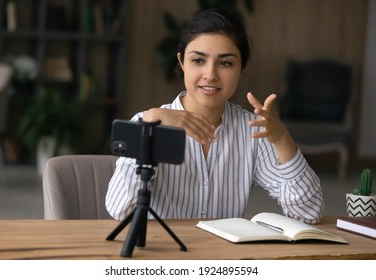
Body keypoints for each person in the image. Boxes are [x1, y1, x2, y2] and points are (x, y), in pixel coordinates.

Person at [106, 8, 324, 224]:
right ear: (182, 63)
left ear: (242, 69)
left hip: (224, 258)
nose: (210, 75)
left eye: (225, 63)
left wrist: (282, 139)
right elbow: (120, 210)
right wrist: (150, 125)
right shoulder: (148, 121)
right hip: (166, 255)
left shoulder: (253, 130)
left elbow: (309, 213)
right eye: (198, 60)